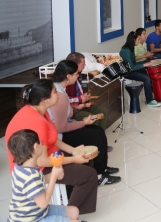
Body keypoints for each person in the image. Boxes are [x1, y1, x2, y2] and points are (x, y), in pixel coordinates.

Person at [5, 80, 98, 214]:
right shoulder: (37, 121)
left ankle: (71, 202)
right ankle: (70, 214)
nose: (58, 94)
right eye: (55, 91)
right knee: (89, 175)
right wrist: (73, 159)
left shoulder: (40, 111)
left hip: (47, 156)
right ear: (44, 100)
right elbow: (41, 161)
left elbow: (51, 138)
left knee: (86, 160)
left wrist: (73, 150)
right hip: (35, 168)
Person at [7, 129, 80, 222]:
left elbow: (39, 180)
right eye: (40, 142)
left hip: (39, 212)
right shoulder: (30, 176)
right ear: (35, 147)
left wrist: (54, 174)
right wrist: (54, 177)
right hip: (31, 219)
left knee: (75, 212)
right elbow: (43, 203)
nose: (42, 144)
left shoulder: (21, 167)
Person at [64, 52, 109, 130]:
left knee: (103, 111)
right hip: (72, 110)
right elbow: (65, 100)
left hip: (79, 105)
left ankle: (101, 135)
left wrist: (83, 97)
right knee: (93, 119)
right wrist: (80, 99)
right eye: (83, 63)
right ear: (76, 65)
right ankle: (94, 135)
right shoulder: (66, 80)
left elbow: (78, 92)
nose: (85, 65)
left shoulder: (78, 74)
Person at [120, 31, 161, 107]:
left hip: (132, 69)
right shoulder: (126, 51)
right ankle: (149, 101)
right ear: (133, 40)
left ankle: (154, 94)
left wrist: (145, 65)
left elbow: (134, 62)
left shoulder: (130, 48)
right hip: (127, 72)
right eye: (138, 39)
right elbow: (131, 67)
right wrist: (144, 64)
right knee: (146, 78)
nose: (139, 41)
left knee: (149, 72)